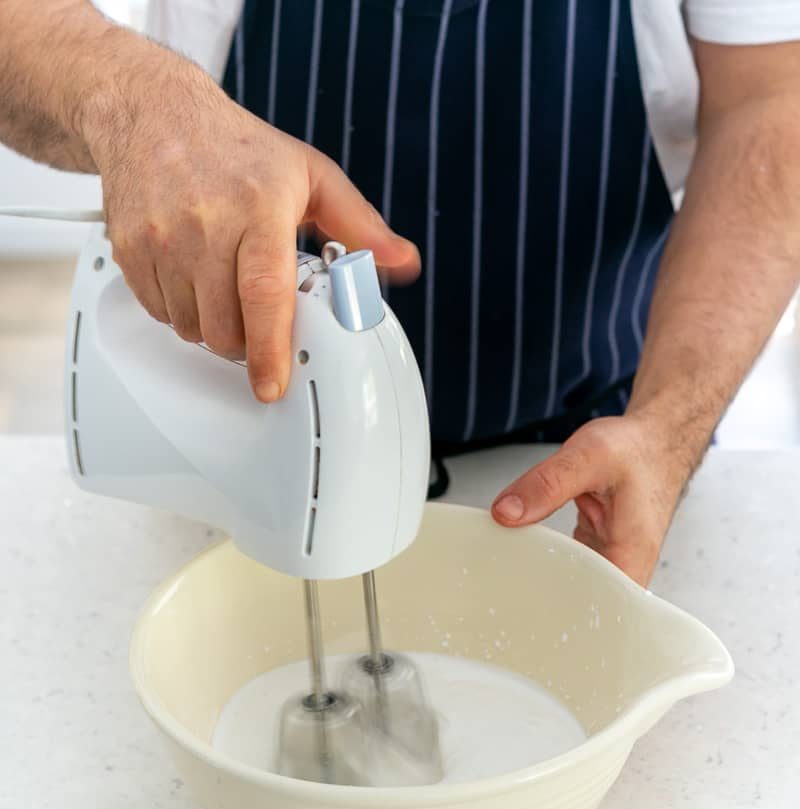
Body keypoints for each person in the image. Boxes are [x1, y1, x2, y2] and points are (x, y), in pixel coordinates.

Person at [2, 1, 799, 585]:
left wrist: (667, 428)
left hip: (588, 465)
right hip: (239, 459)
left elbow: (771, 104)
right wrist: (138, 105)